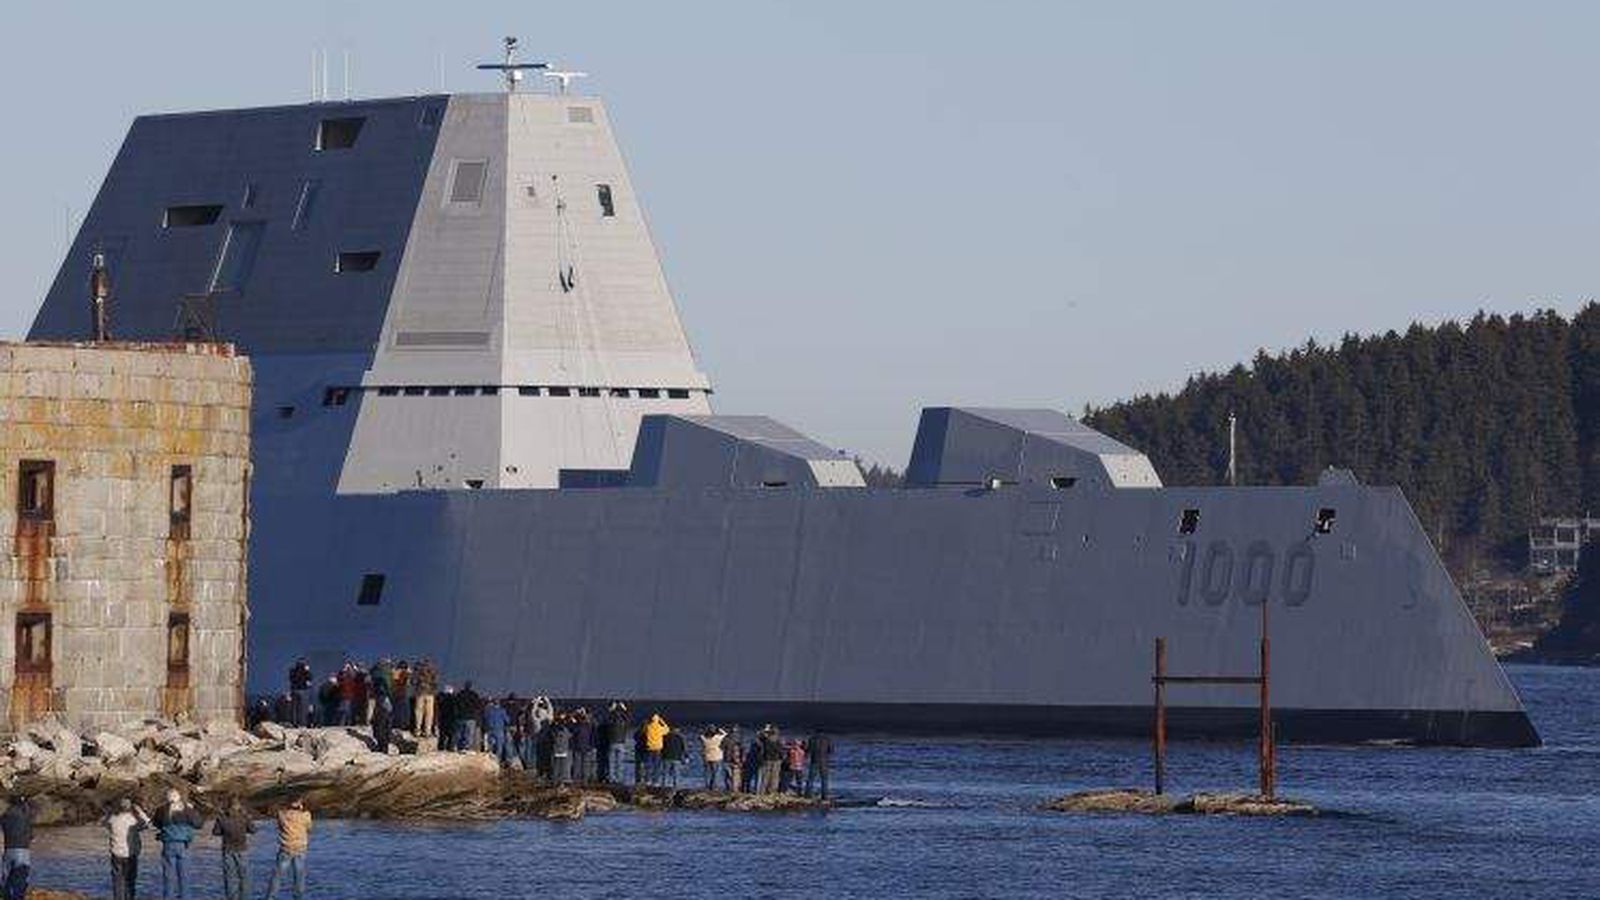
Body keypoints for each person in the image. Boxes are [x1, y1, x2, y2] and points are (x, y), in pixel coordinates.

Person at [153, 788, 203, 900]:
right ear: (178, 797)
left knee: (168, 877)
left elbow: (156, 823)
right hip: (184, 845)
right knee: (184, 877)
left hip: (168, 845)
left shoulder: (161, 809)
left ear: (167, 798)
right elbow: (199, 824)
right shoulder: (187, 809)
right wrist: (192, 810)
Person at [104, 797, 149, 900]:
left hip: (116, 854)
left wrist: (110, 812)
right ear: (130, 808)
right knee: (130, 881)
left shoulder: (113, 820)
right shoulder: (133, 820)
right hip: (130, 854)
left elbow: (105, 821)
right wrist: (140, 811)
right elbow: (147, 823)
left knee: (117, 881)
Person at [265, 799, 311, 900]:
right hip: (300, 849)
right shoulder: (306, 815)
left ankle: (270, 897)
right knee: (299, 877)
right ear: (300, 804)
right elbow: (309, 828)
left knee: (277, 876)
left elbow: (279, 825)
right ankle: (298, 898)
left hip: (286, 848)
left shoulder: (282, 815)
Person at [212, 798, 256, 900]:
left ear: (228, 806)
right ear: (238, 806)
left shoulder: (222, 818)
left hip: (228, 850)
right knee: (244, 877)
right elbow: (253, 830)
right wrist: (248, 818)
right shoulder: (244, 817)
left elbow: (215, 832)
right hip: (242, 850)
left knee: (230, 878)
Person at [0, 794, 33, 900]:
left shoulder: (5, 815)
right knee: (20, 879)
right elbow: (31, 835)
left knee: (6, 878)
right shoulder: (25, 814)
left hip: (8, 850)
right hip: (22, 851)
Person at [604, 702, 631, 783]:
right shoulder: (624, 721)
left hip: (612, 742)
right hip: (621, 742)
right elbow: (628, 718)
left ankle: (612, 779)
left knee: (611, 763)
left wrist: (612, 709)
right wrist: (624, 709)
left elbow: (607, 719)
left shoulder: (611, 720)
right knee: (620, 763)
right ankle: (619, 779)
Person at [804, 731, 834, 800]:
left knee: (810, 779)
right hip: (824, 762)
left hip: (814, 760)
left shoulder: (812, 739)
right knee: (824, 780)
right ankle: (824, 795)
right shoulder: (827, 739)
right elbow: (831, 750)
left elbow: (808, 750)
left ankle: (808, 794)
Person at [414, 658, 439, 738]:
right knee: (429, 714)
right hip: (430, 694)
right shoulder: (433, 670)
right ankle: (427, 731)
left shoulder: (418, 670)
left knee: (419, 712)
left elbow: (413, 681)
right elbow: (436, 683)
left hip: (420, 693)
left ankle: (418, 730)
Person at [643, 712, 669, 785]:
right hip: (658, 748)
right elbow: (667, 730)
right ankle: (656, 781)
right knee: (656, 766)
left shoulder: (648, 726)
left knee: (648, 765)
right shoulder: (660, 728)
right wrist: (662, 721)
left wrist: (647, 722)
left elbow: (644, 730)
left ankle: (647, 780)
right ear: (657, 720)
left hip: (649, 747)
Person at [757, 726, 784, 795]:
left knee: (765, 777)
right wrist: (782, 758)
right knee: (774, 778)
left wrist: (766, 729)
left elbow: (758, 734)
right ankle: (771, 792)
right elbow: (780, 751)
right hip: (776, 760)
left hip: (767, 760)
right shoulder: (778, 741)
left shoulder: (766, 739)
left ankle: (762, 792)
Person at [571, 709, 595, 782]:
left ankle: (577, 779)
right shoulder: (589, 726)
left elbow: (573, 733)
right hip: (586, 747)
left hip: (579, 747)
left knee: (578, 765)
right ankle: (585, 780)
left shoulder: (577, 726)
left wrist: (574, 716)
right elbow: (592, 735)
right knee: (585, 765)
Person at [484, 699, 510, 765]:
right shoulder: (502, 711)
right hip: (499, 730)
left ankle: (489, 761)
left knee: (490, 745)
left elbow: (485, 718)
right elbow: (507, 720)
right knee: (499, 746)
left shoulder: (489, 711)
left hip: (490, 730)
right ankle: (497, 761)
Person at [288, 658, 313, 726]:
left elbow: (291, 679)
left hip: (294, 690)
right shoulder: (305, 671)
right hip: (302, 690)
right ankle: (301, 722)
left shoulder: (292, 671)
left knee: (294, 708)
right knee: (302, 708)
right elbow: (309, 680)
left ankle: (294, 722)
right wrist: (307, 671)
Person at [551, 715, 573, 785]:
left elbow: (552, 736)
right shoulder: (566, 732)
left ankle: (555, 780)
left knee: (556, 767)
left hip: (556, 751)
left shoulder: (555, 731)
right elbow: (571, 735)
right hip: (564, 751)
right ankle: (562, 780)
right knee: (563, 767)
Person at [723, 729, 744, 793]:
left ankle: (730, 789)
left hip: (728, 760)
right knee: (735, 776)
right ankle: (734, 790)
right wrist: (740, 761)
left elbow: (721, 747)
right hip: (733, 761)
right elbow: (741, 751)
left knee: (729, 776)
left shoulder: (726, 739)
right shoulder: (738, 741)